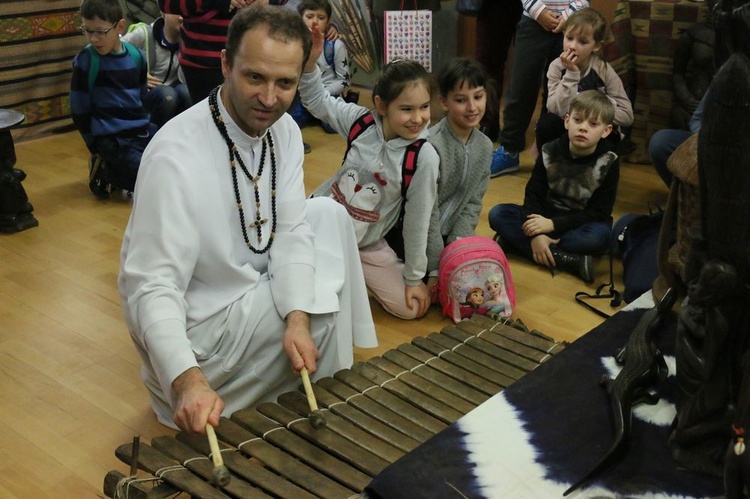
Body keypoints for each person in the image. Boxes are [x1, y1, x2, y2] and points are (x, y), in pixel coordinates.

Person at [118, 4, 377, 433]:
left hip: (249, 292)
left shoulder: (285, 131)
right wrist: (186, 381)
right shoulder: (174, 156)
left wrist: (296, 318)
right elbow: (152, 286)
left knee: (328, 218)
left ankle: (313, 389)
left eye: (285, 82)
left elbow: (291, 228)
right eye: (255, 77)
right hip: (198, 343)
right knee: (326, 306)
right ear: (225, 64)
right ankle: (310, 405)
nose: (270, 99)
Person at [298, 23, 440, 320]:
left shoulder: (423, 155)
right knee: (302, 294)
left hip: (365, 244)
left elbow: (418, 221)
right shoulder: (361, 121)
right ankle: (333, 274)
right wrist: (310, 63)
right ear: (381, 105)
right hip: (319, 230)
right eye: (406, 109)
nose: (418, 119)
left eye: (424, 107)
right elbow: (317, 102)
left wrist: (415, 278)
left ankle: (347, 274)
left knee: (411, 308)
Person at [488, 90, 619, 283]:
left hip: (579, 223)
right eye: (578, 120)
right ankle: (567, 259)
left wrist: (552, 226)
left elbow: (599, 212)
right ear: (567, 121)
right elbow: (533, 194)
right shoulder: (550, 150)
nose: (583, 128)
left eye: (593, 124)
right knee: (497, 213)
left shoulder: (609, 162)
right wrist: (538, 234)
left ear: (606, 131)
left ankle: (515, 244)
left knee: (600, 237)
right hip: (545, 215)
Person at [159, 0, 340, 103]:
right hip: (204, 60)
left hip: (257, 56)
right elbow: (168, 4)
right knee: (213, 129)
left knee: (254, 127)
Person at [490, 0, 590, 177]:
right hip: (533, 21)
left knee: (559, 92)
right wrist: (539, 12)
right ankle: (509, 150)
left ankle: (549, 152)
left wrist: (568, 15)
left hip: (572, 25)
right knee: (520, 88)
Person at [70, 0, 157, 199]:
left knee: (171, 162)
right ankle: (106, 168)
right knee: (150, 179)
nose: (93, 39)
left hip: (140, 132)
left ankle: (115, 169)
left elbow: (141, 97)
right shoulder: (86, 60)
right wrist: (95, 147)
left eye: (101, 31)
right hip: (112, 141)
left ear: (119, 27)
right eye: (87, 30)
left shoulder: (136, 56)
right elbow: (78, 109)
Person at [425, 57, 492, 293]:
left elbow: (473, 203)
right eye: (461, 100)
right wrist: (435, 266)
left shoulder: (484, 146)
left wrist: (456, 248)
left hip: (449, 239)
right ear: (444, 102)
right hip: (416, 238)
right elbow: (426, 211)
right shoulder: (431, 145)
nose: (472, 107)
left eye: (478, 96)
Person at [535, 7, 633, 153]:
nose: (572, 46)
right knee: (546, 124)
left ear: (596, 46)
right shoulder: (556, 67)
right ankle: (547, 168)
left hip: (596, 131)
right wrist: (571, 75)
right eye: (569, 38)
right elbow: (555, 110)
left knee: (611, 140)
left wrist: (591, 115)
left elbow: (627, 115)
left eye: (583, 42)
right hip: (570, 126)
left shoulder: (603, 70)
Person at [289, 0, 351, 134]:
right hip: (302, 94)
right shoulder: (294, 43)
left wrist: (322, 93)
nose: (315, 22)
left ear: (328, 21)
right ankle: (313, 116)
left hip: (327, 93)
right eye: (309, 16)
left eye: (321, 18)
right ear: (301, 18)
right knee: (289, 122)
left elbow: (344, 80)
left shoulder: (335, 45)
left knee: (333, 127)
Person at [122, 12, 193, 128]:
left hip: (175, 90)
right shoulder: (144, 34)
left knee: (188, 92)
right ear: (163, 12)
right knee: (168, 96)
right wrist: (137, 73)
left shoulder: (190, 39)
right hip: (147, 95)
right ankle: (153, 139)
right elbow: (115, 52)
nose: (181, 17)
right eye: (175, 10)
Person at [475, 0, 523, 142]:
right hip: (494, 6)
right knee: (487, 61)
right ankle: (488, 122)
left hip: (541, 6)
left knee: (530, 64)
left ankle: (520, 128)